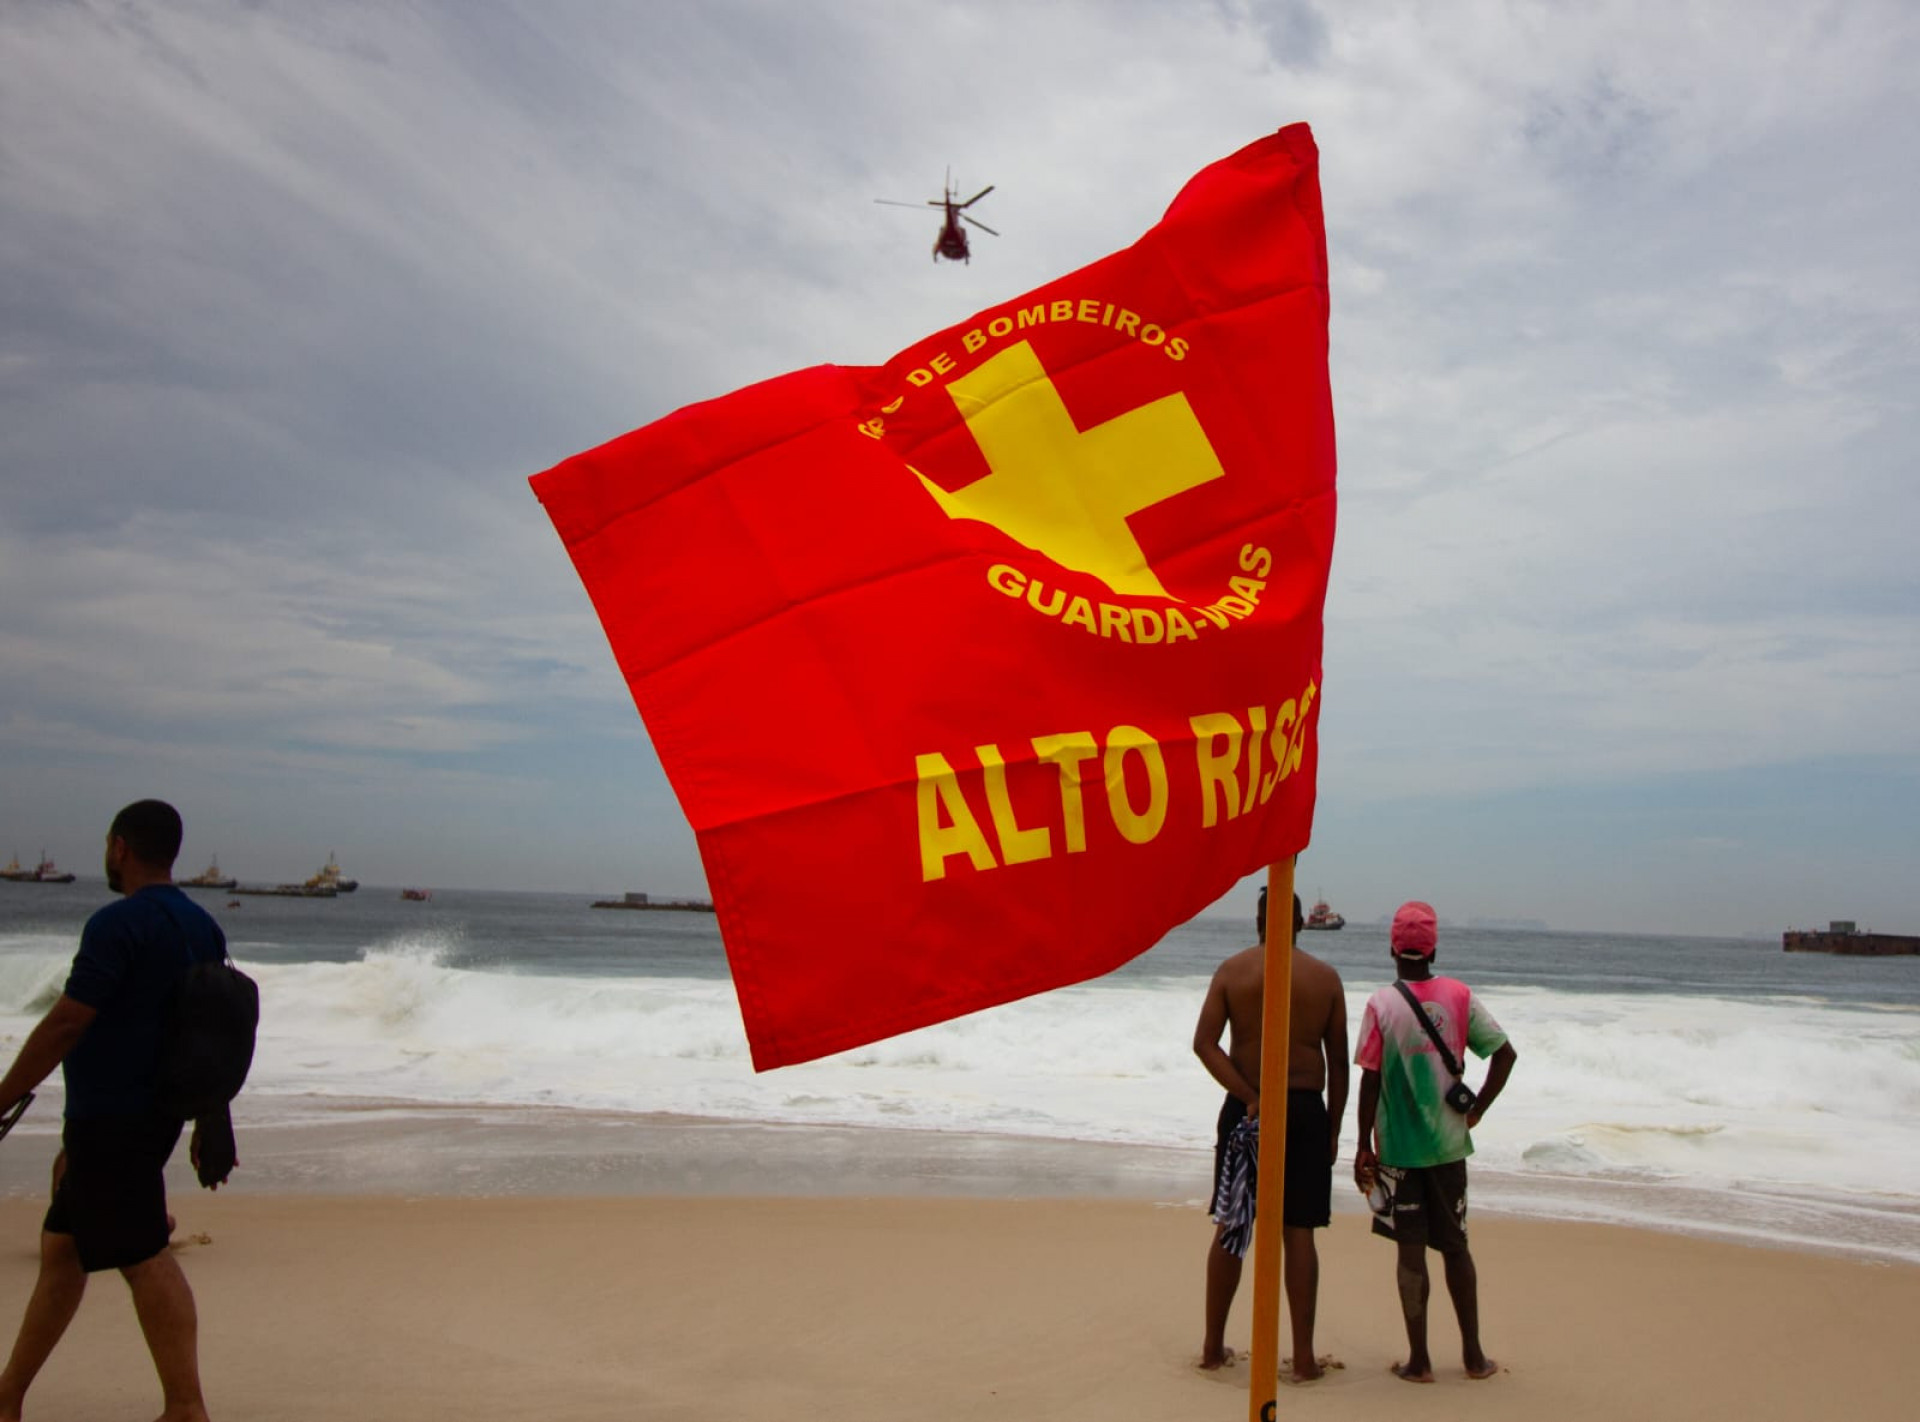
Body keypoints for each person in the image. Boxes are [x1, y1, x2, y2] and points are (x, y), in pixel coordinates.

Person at [0, 800, 224, 1422]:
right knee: (64, 1252)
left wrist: (4, 1094)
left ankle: (186, 1407)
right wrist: (210, 1119)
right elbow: (213, 1032)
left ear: (120, 847)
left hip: (113, 1118)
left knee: (143, 1256)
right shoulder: (202, 927)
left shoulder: (116, 924)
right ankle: (8, 1395)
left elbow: (68, 1021)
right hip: (149, 1116)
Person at [1352, 901, 1517, 1384]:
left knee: (1410, 1252)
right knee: (1456, 1247)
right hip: (1449, 1149)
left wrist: (1362, 1143)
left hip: (1398, 1151)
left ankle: (1419, 1361)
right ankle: (1474, 1357)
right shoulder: (1460, 996)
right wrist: (1477, 1108)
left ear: (1392, 949)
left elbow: (1370, 1080)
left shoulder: (1380, 1005)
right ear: (1434, 950)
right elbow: (1505, 1054)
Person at [1193, 886, 1348, 1381]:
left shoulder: (1232, 971)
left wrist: (1249, 1095)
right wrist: (1334, 1128)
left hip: (1246, 1109)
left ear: (1259, 922)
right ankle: (1303, 1359)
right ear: (1299, 922)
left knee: (1232, 1224)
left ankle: (1213, 1349)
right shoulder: (1325, 979)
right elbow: (1339, 1064)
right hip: (1303, 1111)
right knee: (1298, 1230)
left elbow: (1205, 1044)